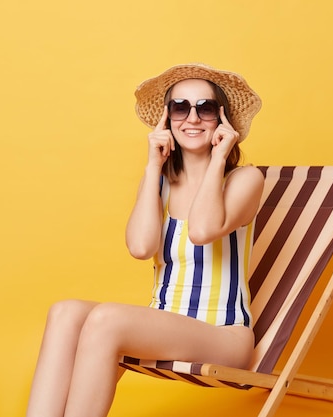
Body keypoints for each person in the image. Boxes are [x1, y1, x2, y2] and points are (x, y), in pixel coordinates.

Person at [26, 63, 263, 417]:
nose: (192, 118)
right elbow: (140, 247)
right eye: (180, 108)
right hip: (165, 321)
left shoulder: (244, 179)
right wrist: (153, 167)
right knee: (65, 312)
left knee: (107, 319)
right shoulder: (160, 183)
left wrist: (217, 159)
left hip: (223, 335)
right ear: (167, 119)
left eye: (206, 108)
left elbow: (201, 230)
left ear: (222, 120)